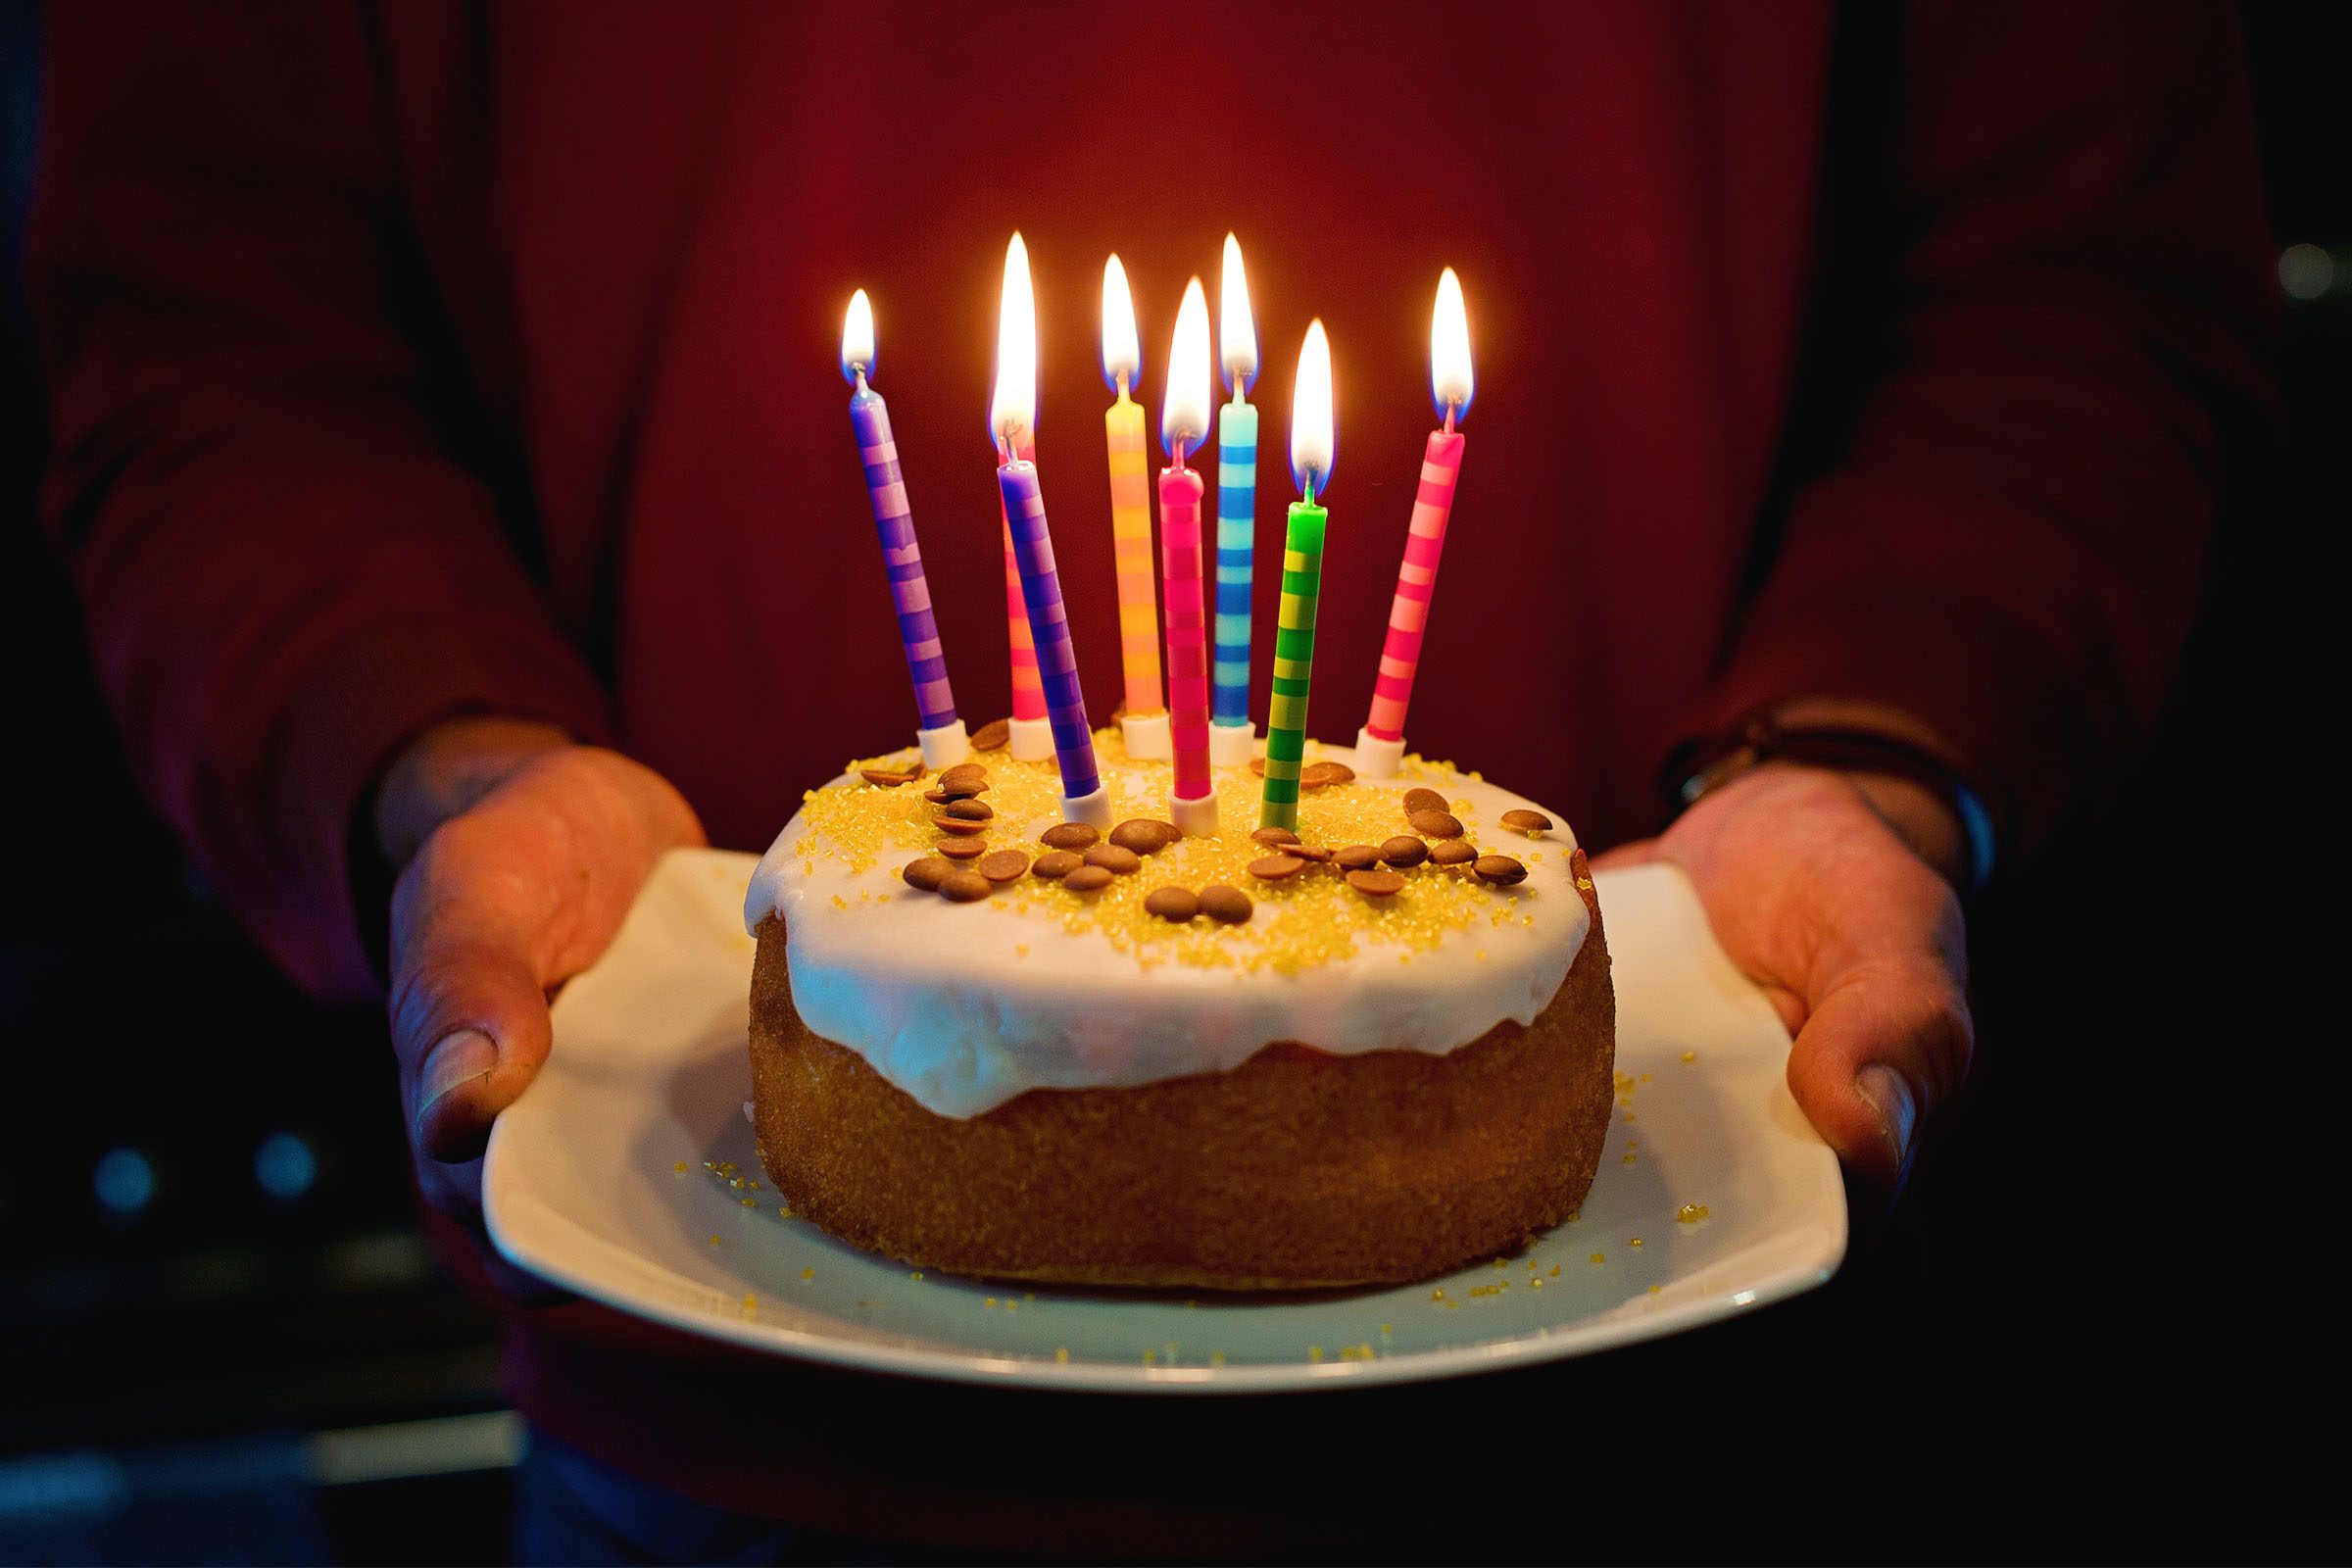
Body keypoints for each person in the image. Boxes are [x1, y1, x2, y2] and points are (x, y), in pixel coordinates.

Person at [31, 2, 2272, 1557]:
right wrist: (438, 749)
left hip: (1688, 1438)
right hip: (717, 1443)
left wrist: (1882, 741)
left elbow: (2085, 265)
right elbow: (212, 319)